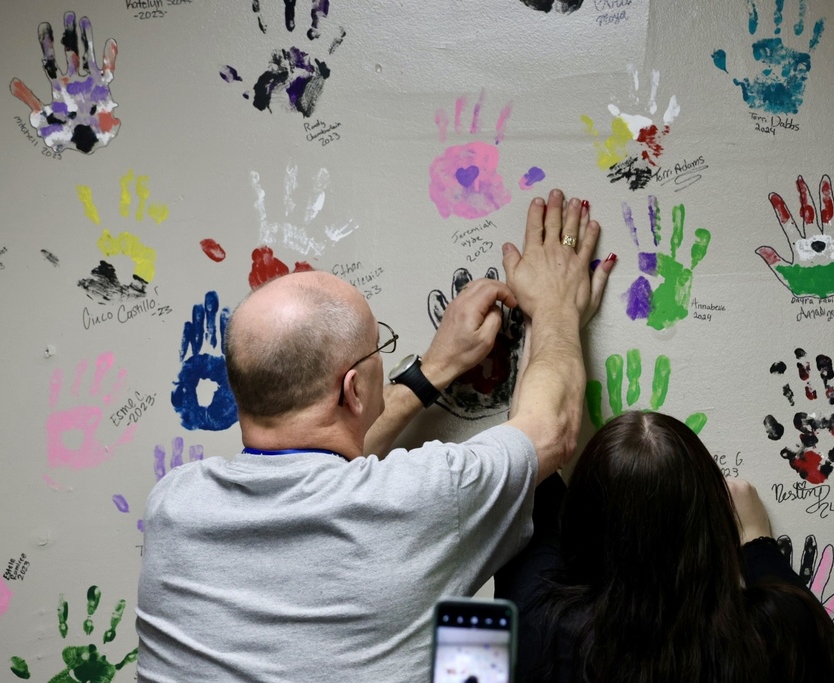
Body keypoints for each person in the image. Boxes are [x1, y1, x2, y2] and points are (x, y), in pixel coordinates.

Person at [135, 189, 615, 682]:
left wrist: (434, 369)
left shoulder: (173, 504)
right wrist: (556, 306)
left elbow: (310, 456)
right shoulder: (421, 497)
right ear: (352, 390)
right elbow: (550, 430)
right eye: (378, 353)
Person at [495, 410, 834, 683]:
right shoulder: (765, 636)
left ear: (577, 521)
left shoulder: (540, 618)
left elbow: (529, 444)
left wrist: (548, 318)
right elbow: (833, 658)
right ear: (714, 520)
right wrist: (757, 541)